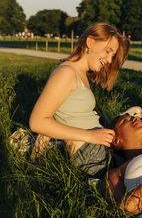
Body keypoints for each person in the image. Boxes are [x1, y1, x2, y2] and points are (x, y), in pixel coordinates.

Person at [29, 22, 130, 178]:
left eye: (112, 55)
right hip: (89, 152)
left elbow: (54, 113)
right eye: (108, 51)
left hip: (96, 145)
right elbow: (37, 122)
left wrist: (37, 155)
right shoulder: (66, 73)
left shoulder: (79, 73)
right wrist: (90, 136)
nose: (110, 60)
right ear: (90, 42)